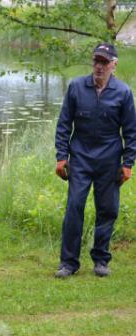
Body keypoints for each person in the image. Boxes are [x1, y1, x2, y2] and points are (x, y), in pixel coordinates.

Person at [55, 43, 136, 278]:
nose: (99, 67)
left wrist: (128, 163)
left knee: (107, 210)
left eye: (104, 62)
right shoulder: (76, 87)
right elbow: (63, 125)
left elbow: (131, 131)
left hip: (110, 160)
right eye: (96, 61)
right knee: (74, 207)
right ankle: (68, 263)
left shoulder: (123, 93)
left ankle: (101, 260)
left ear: (114, 65)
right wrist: (62, 157)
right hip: (80, 158)